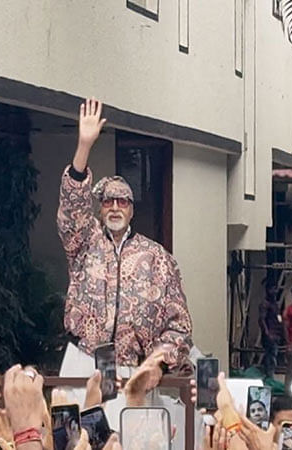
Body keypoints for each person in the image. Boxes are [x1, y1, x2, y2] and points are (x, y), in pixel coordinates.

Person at [57, 97, 193, 373]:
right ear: (100, 208)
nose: (115, 207)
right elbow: (72, 211)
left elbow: (179, 326)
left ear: (132, 210)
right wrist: (84, 147)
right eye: (108, 201)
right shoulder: (84, 244)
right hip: (87, 366)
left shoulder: (157, 257)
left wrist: (157, 365)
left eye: (123, 202)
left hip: (138, 371)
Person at [258, 283, 282, 379]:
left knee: (274, 354)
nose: (274, 292)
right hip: (270, 334)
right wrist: (267, 332)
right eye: (272, 289)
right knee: (270, 356)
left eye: (275, 289)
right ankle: (269, 375)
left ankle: (271, 374)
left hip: (276, 333)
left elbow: (278, 317)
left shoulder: (275, 304)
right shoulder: (265, 304)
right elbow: (262, 319)